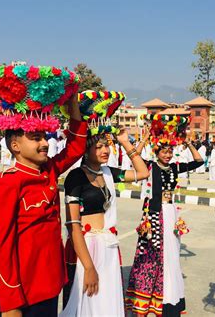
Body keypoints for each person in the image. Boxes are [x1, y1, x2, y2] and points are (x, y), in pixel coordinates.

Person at [0, 84, 86, 315]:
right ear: (15, 145)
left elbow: (77, 148)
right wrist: (10, 304)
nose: (45, 143)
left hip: (50, 285)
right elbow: (0, 248)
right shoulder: (5, 185)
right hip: (21, 293)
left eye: (44, 136)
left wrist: (73, 105)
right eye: (36, 137)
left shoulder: (48, 171)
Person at [61, 128, 149, 316]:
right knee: (86, 303)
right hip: (84, 249)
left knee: (106, 303)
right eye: (98, 146)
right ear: (84, 150)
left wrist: (125, 142)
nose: (105, 150)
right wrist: (89, 267)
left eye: (107, 145)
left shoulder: (108, 173)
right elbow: (73, 225)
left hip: (108, 246)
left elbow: (142, 173)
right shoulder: (75, 177)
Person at [125, 128, 204, 316]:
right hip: (153, 213)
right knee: (153, 254)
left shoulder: (175, 167)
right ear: (156, 152)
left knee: (171, 253)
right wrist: (144, 139)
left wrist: (189, 144)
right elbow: (133, 157)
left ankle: (169, 294)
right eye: (164, 151)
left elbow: (200, 161)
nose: (167, 155)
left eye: (170, 151)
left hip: (171, 213)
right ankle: (147, 296)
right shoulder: (150, 166)